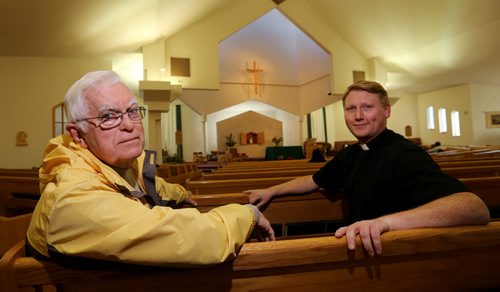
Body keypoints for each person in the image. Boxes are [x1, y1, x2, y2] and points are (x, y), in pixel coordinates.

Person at [27, 70, 274, 267]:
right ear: (78, 135)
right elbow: (193, 239)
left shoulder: (121, 162)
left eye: (132, 111)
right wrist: (248, 213)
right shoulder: (74, 196)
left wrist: (181, 194)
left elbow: (152, 184)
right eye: (109, 117)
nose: (128, 125)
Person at [244, 80, 490, 257]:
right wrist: (273, 190)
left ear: (386, 111)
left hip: (398, 255)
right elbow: (315, 179)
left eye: (367, 107)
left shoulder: (403, 153)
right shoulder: (352, 152)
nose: (358, 116)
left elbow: (474, 208)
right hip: (358, 251)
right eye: (351, 109)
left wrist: (385, 223)